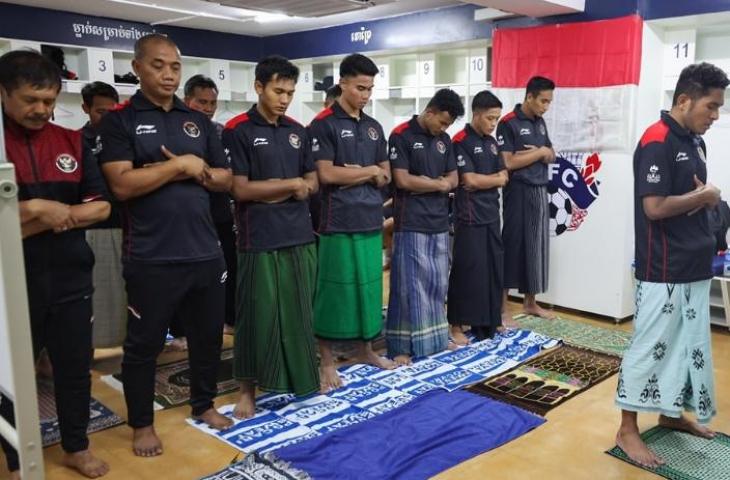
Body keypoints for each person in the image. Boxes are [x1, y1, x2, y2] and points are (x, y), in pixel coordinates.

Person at [97, 34, 233, 457]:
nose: (168, 74)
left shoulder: (198, 122)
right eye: (158, 65)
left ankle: (204, 404)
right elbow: (121, 184)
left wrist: (174, 170)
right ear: (137, 68)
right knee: (144, 345)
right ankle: (142, 424)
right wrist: (182, 166)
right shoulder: (119, 121)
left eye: (174, 66)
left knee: (208, 336)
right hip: (151, 255)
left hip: (205, 251)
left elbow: (225, 179)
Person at [0, 50, 111, 478]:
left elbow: (101, 208)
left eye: (49, 100)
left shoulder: (71, 142)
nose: (41, 110)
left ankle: (75, 446)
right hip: (12, 283)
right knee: (11, 376)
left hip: (69, 277)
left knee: (73, 368)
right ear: (4, 94)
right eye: (31, 99)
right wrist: (39, 208)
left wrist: (38, 217)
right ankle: (13, 458)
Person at [615, 62, 726, 468]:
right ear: (684, 100)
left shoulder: (695, 140)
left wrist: (706, 200)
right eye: (711, 107)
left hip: (693, 266)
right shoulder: (656, 140)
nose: (715, 116)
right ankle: (627, 429)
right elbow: (655, 207)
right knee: (649, 348)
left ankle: (671, 412)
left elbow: (696, 195)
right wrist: (707, 197)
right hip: (663, 268)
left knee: (685, 347)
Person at [222, 55, 319, 419]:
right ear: (259, 86)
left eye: (290, 93)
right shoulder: (237, 130)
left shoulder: (297, 130)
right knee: (256, 317)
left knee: (299, 314)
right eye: (278, 91)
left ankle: (301, 381)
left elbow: (311, 182)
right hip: (258, 238)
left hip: (299, 235)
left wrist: (287, 189)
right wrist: (289, 186)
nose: (284, 98)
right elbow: (241, 190)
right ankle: (247, 390)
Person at [309, 53, 394, 391]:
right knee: (334, 292)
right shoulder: (323, 124)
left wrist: (357, 175)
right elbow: (327, 174)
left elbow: (385, 173)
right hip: (337, 221)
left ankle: (366, 350)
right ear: (342, 82)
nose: (365, 95)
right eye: (360, 87)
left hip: (369, 219)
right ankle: (327, 361)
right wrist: (368, 172)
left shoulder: (374, 127)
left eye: (370, 89)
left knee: (370, 290)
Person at [385, 89, 462, 365]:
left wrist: (436, 184)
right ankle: (401, 345)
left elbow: (454, 177)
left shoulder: (444, 140)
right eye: (442, 122)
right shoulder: (401, 134)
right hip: (410, 221)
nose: (444, 128)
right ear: (429, 112)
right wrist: (437, 184)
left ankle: (437, 339)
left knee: (436, 283)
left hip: (439, 221)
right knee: (408, 286)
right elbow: (403, 180)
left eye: (448, 125)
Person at [448, 90, 509, 344]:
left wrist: (489, 181)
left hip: (491, 215)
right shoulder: (460, 140)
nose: (494, 124)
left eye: (497, 119)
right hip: (469, 216)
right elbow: (468, 180)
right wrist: (490, 180)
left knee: (493, 269)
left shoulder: (493, 143)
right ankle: (456, 325)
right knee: (467, 271)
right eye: (490, 118)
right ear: (477, 114)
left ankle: (489, 321)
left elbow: (504, 177)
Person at [497, 76, 557, 324]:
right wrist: (539, 153)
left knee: (536, 248)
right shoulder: (508, 123)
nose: (546, 106)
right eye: (543, 100)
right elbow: (508, 161)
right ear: (529, 97)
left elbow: (552, 154)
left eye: (549, 102)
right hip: (518, 191)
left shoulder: (540, 123)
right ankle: (501, 308)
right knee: (513, 246)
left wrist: (539, 153)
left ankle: (530, 303)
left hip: (540, 190)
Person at [182, 74, 237, 339]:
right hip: (186, 217)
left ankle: (228, 319)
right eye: (201, 102)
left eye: (212, 103)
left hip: (219, 212)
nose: (207, 108)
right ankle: (181, 329)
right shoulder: (176, 131)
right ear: (187, 100)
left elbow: (227, 177)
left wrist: (196, 172)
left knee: (225, 270)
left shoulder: (221, 132)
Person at [80, 81, 128, 351]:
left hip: (131, 223)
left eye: (112, 111)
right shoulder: (78, 141)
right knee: (101, 293)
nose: (107, 117)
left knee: (129, 292)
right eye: (100, 112)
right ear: (85, 108)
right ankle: (94, 348)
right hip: (97, 225)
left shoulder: (124, 136)